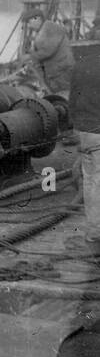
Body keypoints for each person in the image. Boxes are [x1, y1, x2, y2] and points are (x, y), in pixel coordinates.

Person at [71, 45, 100, 254]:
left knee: (91, 183)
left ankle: (94, 232)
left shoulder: (80, 66)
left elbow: (72, 101)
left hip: (85, 133)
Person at [24, 9, 74, 98]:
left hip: (62, 72)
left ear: (37, 18)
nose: (28, 26)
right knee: (58, 97)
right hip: (55, 73)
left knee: (64, 97)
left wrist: (30, 56)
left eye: (29, 22)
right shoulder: (44, 30)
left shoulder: (51, 28)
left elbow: (48, 51)